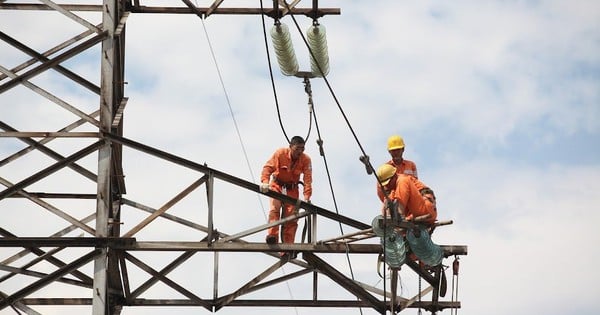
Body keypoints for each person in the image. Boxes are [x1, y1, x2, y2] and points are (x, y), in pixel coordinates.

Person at [260, 136, 312, 245]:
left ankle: (288, 245)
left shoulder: (305, 160)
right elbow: (268, 168)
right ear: (290, 147)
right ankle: (272, 236)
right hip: (277, 185)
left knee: (291, 217)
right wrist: (265, 181)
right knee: (275, 209)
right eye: (297, 148)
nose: (300, 151)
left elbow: (308, 179)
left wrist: (307, 197)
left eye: (302, 149)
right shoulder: (280, 153)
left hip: (292, 189)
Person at [377, 135, 419, 202]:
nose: (396, 153)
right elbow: (381, 189)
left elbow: (416, 184)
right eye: (393, 150)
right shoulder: (385, 168)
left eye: (398, 150)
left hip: (410, 200)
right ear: (389, 151)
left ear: (403, 149)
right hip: (392, 200)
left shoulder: (411, 165)